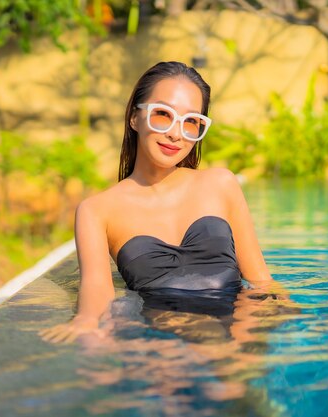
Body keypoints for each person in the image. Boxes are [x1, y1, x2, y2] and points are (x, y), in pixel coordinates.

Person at [39, 61, 283, 345]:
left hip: (239, 325)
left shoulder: (220, 184)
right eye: (163, 115)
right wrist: (85, 320)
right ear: (134, 118)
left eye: (191, 121)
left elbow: (261, 281)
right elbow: (97, 289)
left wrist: (279, 320)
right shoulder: (97, 210)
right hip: (163, 342)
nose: (176, 134)